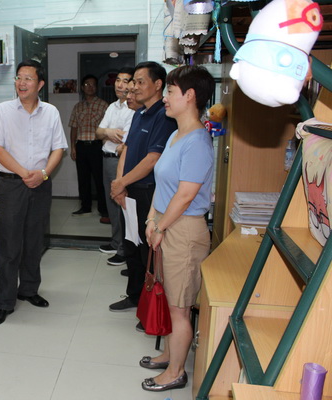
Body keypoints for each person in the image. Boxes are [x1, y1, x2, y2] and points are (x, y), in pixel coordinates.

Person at [140, 65, 215, 392]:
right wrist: (151, 220)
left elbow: (185, 195)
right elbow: (163, 184)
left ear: (190, 96)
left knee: (180, 307)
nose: (165, 98)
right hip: (166, 223)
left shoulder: (198, 141)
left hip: (183, 232)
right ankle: (170, 355)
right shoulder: (175, 135)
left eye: (170, 92)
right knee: (170, 297)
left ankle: (176, 373)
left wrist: (161, 226)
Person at [0, 60, 68, 326]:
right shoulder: (3, 110)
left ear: (40, 84)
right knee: (10, 244)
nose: (21, 83)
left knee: (34, 241)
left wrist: (43, 174)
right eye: (19, 78)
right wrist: (24, 173)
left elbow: (58, 148)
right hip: (12, 185)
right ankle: (4, 302)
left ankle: (29, 289)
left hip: (41, 184)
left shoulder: (51, 112)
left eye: (28, 78)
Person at [109, 62, 177, 315]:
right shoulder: (139, 113)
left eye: (140, 82)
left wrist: (122, 183)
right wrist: (119, 183)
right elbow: (126, 149)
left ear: (158, 85)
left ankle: (151, 310)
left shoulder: (164, 116)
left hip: (147, 191)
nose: (134, 87)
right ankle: (134, 296)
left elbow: (152, 159)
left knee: (148, 251)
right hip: (128, 191)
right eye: (133, 82)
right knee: (131, 245)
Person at [96, 67, 137, 266]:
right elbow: (98, 132)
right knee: (111, 204)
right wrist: (109, 132)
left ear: (133, 84)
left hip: (120, 160)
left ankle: (123, 250)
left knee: (121, 204)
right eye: (118, 80)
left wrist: (108, 132)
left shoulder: (133, 108)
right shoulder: (113, 106)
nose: (120, 85)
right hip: (106, 157)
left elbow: (124, 139)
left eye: (125, 81)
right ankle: (116, 242)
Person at [69, 74, 109, 217]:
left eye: (93, 85)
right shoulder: (77, 107)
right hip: (81, 146)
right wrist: (73, 147)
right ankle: (85, 206)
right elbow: (74, 128)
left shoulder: (104, 105)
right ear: (82, 87)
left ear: (96, 87)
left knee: (100, 179)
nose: (90, 87)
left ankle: (103, 209)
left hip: (97, 146)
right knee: (83, 178)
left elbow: (108, 129)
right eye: (87, 84)